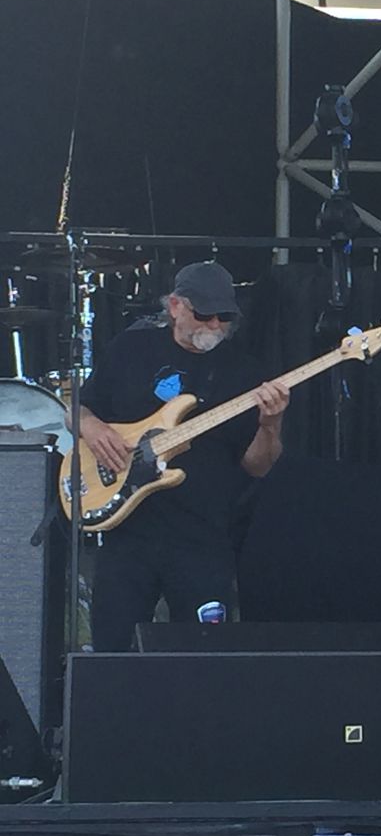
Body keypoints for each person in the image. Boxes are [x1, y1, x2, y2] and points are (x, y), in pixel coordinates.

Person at [74, 261, 290, 651]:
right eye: (204, 314)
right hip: (128, 532)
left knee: (202, 656)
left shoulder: (243, 372)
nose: (215, 325)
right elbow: (79, 408)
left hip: (202, 537)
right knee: (111, 650)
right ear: (175, 306)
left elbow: (258, 466)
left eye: (224, 317)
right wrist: (91, 427)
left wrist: (270, 424)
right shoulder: (130, 349)